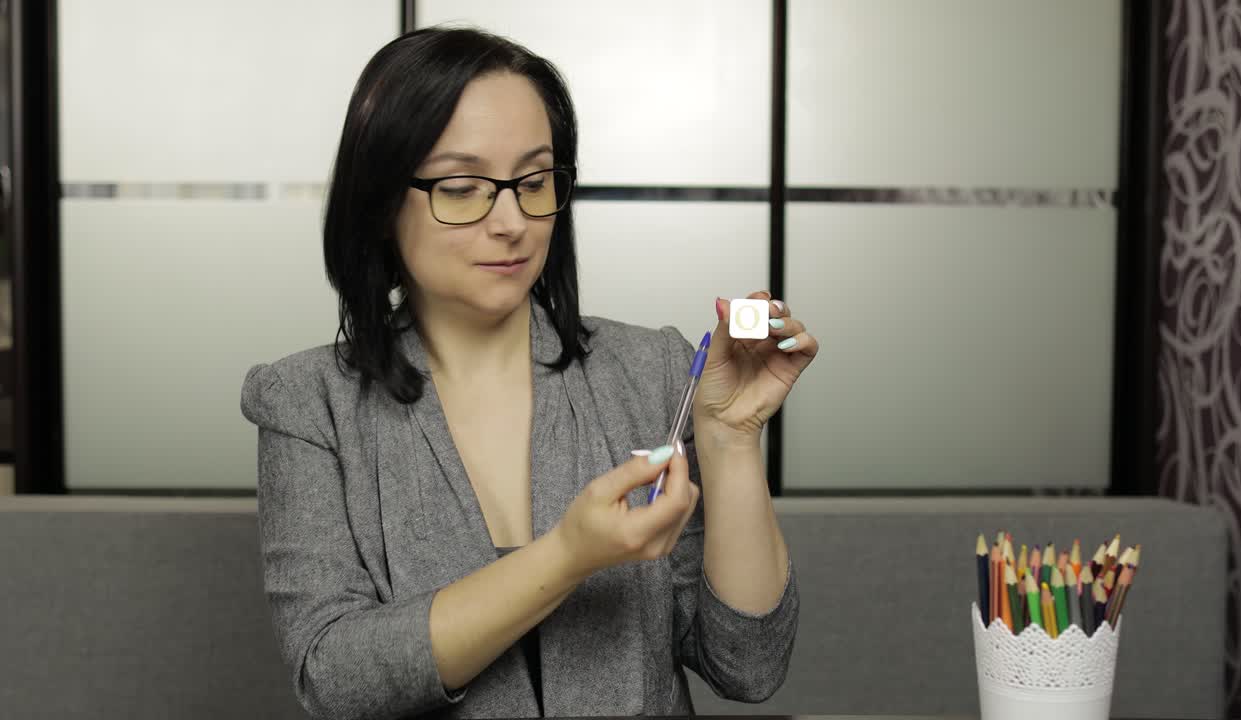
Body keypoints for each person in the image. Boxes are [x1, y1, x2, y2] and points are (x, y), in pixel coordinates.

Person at [240, 25, 818, 720]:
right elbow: (334, 674)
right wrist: (569, 556)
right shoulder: (308, 403)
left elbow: (748, 666)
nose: (512, 220)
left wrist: (729, 438)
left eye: (535, 181)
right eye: (462, 187)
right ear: (383, 201)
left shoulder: (651, 371)